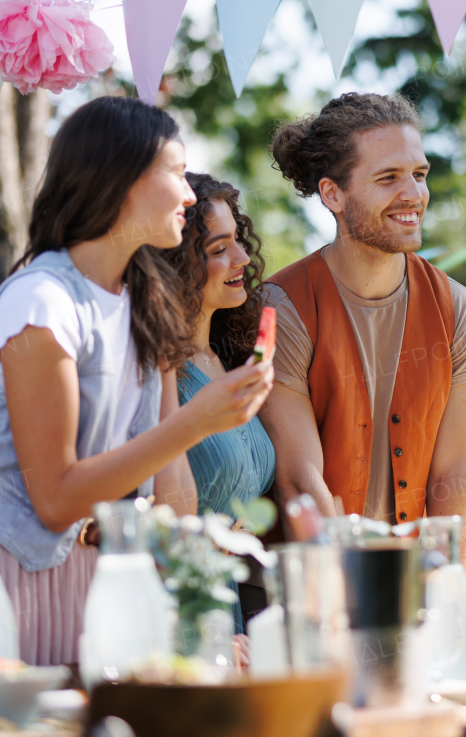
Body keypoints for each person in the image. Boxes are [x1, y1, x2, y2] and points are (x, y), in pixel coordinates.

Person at [0, 97, 273, 666]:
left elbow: (164, 501)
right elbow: (57, 497)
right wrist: (196, 420)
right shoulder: (41, 302)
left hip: (97, 592)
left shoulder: (144, 308)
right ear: (122, 180)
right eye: (177, 173)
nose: (189, 195)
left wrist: (191, 630)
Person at [260, 93, 466, 572]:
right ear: (333, 194)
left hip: (409, 588)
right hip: (305, 593)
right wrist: (356, 600)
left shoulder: (457, 309)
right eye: (388, 178)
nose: (414, 195)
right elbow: (299, 481)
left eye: (419, 175)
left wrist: (451, 594)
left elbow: (455, 473)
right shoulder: (281, 307)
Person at [161, 172, 276, 629]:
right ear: (176, 265)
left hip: (234, 612)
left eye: (238, 241)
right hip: (182, 611)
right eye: (218, 249)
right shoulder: (159, 369)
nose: (243, 258)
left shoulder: (229, 357)